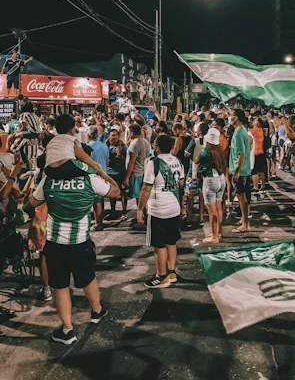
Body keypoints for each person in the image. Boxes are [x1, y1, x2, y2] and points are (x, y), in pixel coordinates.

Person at [29, 159, 120, 344]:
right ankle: (97, 311)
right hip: (80, 241)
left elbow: (33, 201)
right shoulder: (89, 179)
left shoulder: (48, 180)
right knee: (88, 277)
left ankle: (68, 330)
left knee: (60, 286)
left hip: (55, 243)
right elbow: (116, 190)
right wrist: (101, 171)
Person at [137, 134, 184, 289]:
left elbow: (146, 188)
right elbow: (181, 184)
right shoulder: (178, 162)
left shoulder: (154, 163)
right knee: (171, 241)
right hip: (174, 207)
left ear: (156, 147)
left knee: (159, 245)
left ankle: (161, 276)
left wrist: (140, 209)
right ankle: (171, 272)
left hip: (158, 209)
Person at [196, 128, 227, 244]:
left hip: (210, 180)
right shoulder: (220, 150)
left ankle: (214, 236)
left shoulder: (206, 150)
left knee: (211, 211)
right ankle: (218, 232)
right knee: (219, 208)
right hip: (221, 179)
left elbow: (195, 160)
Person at [229, 109, 251, 233]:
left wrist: (237, 171)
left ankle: (245, 224)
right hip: (244, 170)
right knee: (243, 196)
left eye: (231, 115)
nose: (229, 117)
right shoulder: (242, 130)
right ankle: (243, 220)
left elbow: (241, 154)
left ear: (236, 117)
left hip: (240, 171)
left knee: (241, 197)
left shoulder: (238, 134)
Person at [123, 123, 150, 210]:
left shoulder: (135, 144)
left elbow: (132, 162)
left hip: (136, 173)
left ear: (132, 133)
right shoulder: (145, 142)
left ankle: (141, 214)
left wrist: (126, 177)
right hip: (144, 172)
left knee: (138, 196)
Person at [105, 129, 128, 218]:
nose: (114, 137)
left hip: (121, 172)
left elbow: (127, 159)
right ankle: (113, 211)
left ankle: (124, 212)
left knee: (123, 192)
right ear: (109, 136)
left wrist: (120, 155)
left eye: (116, 135)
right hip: (110, 173)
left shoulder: (123, 146)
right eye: (112, 135)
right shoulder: (106, 146)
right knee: (112, 193)